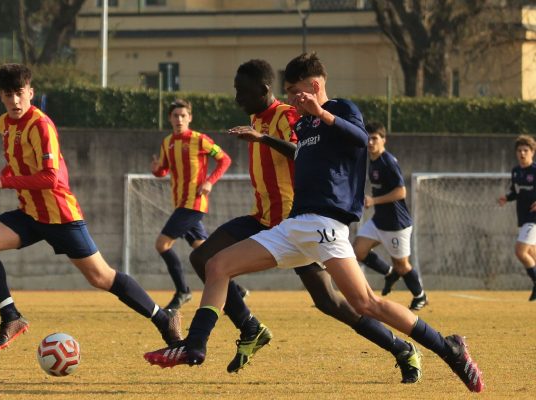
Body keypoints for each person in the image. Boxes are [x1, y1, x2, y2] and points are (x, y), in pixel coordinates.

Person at [143, 53, 484, 393]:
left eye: (294, 91)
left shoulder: (340, 109)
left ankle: (447, 347)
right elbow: (300, 158)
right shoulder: (303, 124)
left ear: (315, 85)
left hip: (325, 226)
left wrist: (320, 113)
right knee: (216, 265)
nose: (291, 99)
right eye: (287, 92)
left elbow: (360, 140)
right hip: (292, 226)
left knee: (363, 303)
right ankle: (195, 346)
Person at [186, 59, 422, 383]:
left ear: (264, 90)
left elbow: (302, 151)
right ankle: (249, 327)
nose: (237, 97)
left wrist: (263, 138)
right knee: (204, 258)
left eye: (241, 90)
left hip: (294, 223)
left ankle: (400, 348)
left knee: (333, 302)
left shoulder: (287, 115)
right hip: (263, 218)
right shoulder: (257, 118)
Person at [0, 63, 182, 354]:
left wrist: (4, 182)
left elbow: (50, 177)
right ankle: (11, 317)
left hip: (60, 216)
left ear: (31, 92)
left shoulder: (41, 125)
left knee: (101, 277)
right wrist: (3, 175)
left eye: (20, 93)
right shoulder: (3, 123)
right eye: (8, 94)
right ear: (2, 97)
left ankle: (163, 319)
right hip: (30, 213)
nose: (15, 101)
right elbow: (18, 163)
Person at [151, 99, 232, 310]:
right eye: (175, 115)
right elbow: (163, 170)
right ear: (170, 118)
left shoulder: (199, 140)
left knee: (162, 244)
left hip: (193, 203)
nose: (179, 119)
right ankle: (236, 291)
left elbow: (224, 159)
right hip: (180, 203)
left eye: (183, 115)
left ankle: (183, 291)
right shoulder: (167, 142)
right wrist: (156, 170)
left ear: (190, 118)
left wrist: (209, 181)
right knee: (204, 252)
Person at [353, 122, 428, 310]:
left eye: (374, 138)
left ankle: (420, 296)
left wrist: (374, 201)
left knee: (402, 266)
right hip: (379, 221)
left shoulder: (388, 161)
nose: (370, 142)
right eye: (367, 138)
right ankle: (388, 273)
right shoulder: (373, 161)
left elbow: (401, 192)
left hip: (396, 224)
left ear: (383, 140)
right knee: (358, 251)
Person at [497, 134, 536, 301]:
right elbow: (516, 191)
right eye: (519, 150)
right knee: (532, 254)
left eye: (525, 150)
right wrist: (507, 197)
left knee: (520, 252)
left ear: (532, 152)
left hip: (533, 218)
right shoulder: (516, 171)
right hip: (522, 217)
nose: (522, 153)